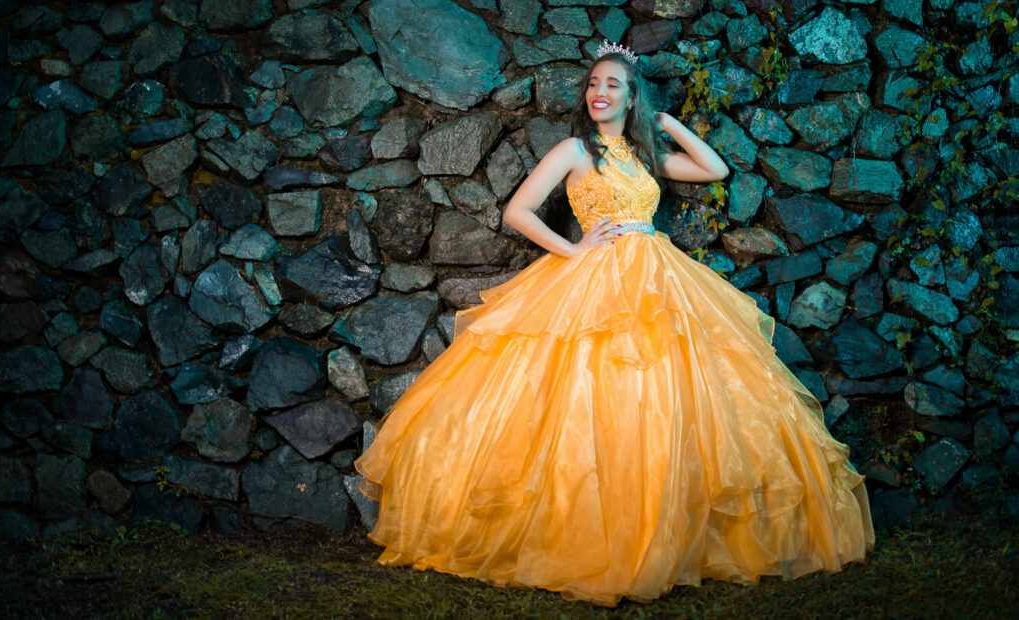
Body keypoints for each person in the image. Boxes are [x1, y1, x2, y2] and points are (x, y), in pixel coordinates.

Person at [354, 41, 875, 607]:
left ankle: (660, 522)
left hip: (658, 278)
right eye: (594, 84)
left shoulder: (640, 153)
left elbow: (713, 168)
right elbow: (517, 211)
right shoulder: (575, 150)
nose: (598, 94)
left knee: (662, 391)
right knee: (587, 388)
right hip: (596, 278)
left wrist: (666, 121)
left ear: (631, 98)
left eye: (612, 86)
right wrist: (573, 252)